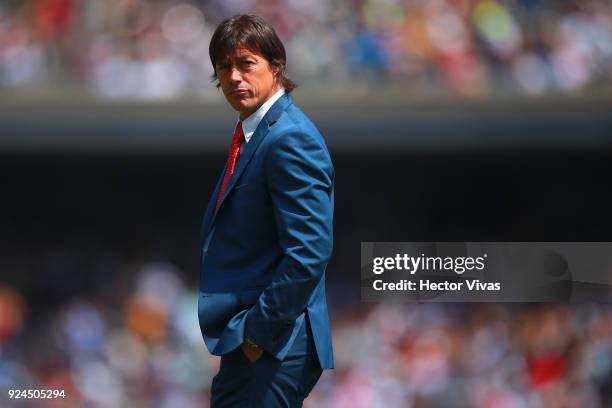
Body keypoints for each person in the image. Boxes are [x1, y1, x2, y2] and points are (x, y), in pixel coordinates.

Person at [198, 14, 334, 407]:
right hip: (261, 340)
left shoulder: (289, 138)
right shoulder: (255, 131)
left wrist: (257, 332)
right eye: (225, 67)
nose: (235, 76)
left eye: (246, 64)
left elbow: (309, 252)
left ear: (276, 67)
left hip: (276, 341)